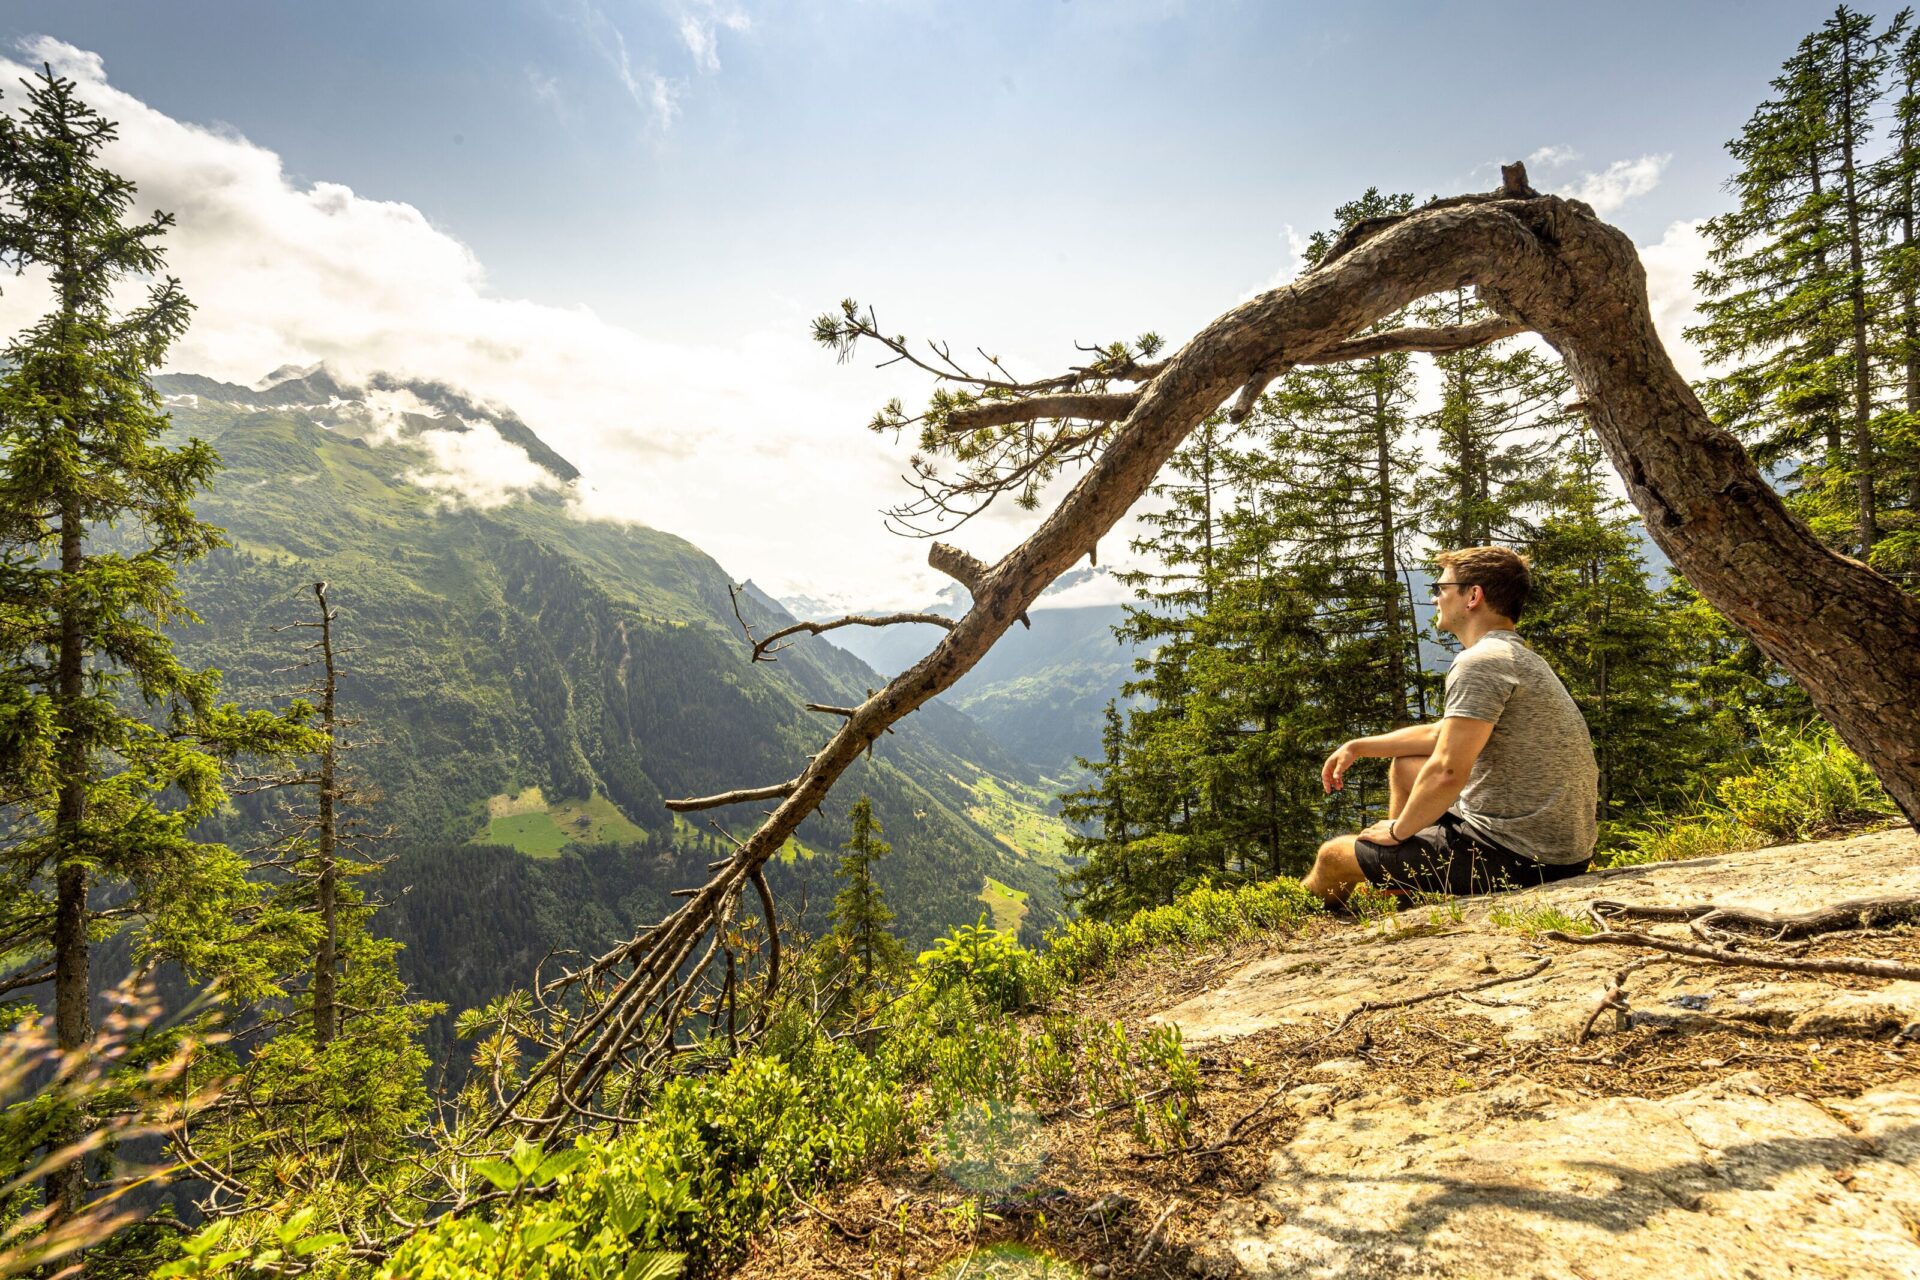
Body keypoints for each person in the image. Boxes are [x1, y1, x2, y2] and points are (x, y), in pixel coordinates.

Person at [1301, 546, 1598, 906]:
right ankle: (1402, 884)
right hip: (1556, 847)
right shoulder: (1516, 656)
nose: (1435, 597)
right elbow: (1443, 734)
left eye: (1442, 588)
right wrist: (1359, 746)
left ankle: (1308, 912)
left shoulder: (1481, 662)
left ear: (1473, 595)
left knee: (1332, 857)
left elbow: (1447, 769)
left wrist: (1397, 831)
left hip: (1517, 857)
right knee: (1407, 764)